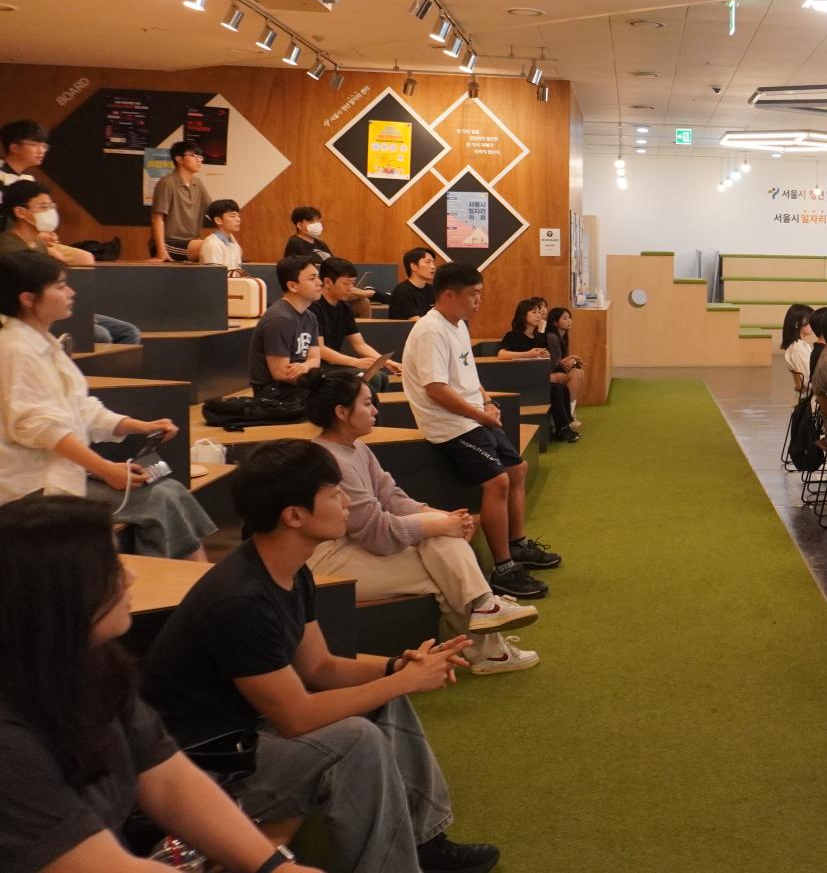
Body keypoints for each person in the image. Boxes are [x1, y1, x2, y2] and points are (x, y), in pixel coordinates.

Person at [140, 440, 502, 873]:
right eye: (333, 493)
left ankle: (426, 842)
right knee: (357, 738)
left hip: (247, 734)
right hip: (207, 769)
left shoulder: (291, 571)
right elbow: (296, 717)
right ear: (294, 515)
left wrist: (397, 667)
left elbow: (320, 668)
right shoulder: (241, 599)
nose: (346, 502)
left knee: (383, 696)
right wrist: (401, 680)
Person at [0, 494, 327, 873]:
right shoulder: (9, 739)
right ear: (57, 591)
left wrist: (272, 866)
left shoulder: (92, 668)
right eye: (109, 565)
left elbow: (167, 778)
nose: (129, 576)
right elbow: (101, 866)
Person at [307, 371, 543, 669]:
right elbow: (377, 533)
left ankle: (486, 614)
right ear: (341, 413)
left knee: (447, 551)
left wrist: (441, 516)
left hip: (359, 545)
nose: (375, 410)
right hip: (332, 560)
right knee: (450, 573)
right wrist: (440, 524)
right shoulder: (331, 460)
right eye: (367, 404)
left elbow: (392, 497)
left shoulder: (356, 448)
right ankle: (487, 643)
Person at [0, 250, 214, 560]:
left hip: (61, 473)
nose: (71, 292)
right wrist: (106, 469)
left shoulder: (43, 343)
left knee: (169, 490)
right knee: (159, 499)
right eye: (60, 286)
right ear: (28, 298)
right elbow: (44, 429)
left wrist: (138, 426)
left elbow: (82, 409)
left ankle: (192, 579)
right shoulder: (16, 350)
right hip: (32, 489)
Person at [403, 262, 559, 600]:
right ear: (448, 295)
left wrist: (487, 402)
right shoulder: (430, 330)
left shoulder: (458, 324)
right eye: (473, 294)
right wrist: (481, 415)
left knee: (517, 468)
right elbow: (436, 389)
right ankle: (502, 569)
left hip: (473, 416)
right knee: (498, 481)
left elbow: (468, 374)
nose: (479, 301)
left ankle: (517, 544)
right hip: (447, 424)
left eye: (479, 294)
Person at [0, 126, 140, 345]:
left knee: (128, 330)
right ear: (14, 146)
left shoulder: (28, 179)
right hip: (27, 298)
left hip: (36, 241)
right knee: (102, 335)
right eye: (34, 144)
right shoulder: (10, 246)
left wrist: (42, 238)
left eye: (44, 145)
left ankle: (83, 313)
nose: (41, 150)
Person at [314, 257, 404, 390]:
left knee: (383, 377)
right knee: (373, 378)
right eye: (346, 283)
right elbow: (320, 349)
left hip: (333, 365)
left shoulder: (344, 308)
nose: (351, 288)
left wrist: (387, 363)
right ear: (327, 282)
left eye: (353, 283)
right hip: (316, 366)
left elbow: (360, 345)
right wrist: (356, 362)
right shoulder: (314, 307)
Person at [249, 256, 325, 401]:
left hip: (299, 384)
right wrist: (315, 380)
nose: (320, 283)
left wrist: (305, 367)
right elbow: (281, 373)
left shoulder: (310, 317)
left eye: (318, 277)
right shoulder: (280, 319)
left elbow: (315, 358)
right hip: (275, 393)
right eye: (312, 278)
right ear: (293, 286)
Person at [500, 299, 576, 441]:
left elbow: (544, 359)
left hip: (535, 378)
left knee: (561, 388)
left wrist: (545, 355)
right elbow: (502, 354)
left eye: (539, 312)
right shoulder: (513, 336)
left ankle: (564, 426)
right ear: (523, 315)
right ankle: (562, 429)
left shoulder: (539, 337)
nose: (538, 315)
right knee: (555, 390)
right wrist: (528, 354)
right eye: (534, 312)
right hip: (518, 380)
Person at [149, 141, 210, 263]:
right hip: (168, 243)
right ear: (179, 159)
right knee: (210, 247)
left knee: (224, 246)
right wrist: (161, 251)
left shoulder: (198, 183)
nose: (199, 160)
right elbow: (157, 219)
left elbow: (212, 211)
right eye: (193, 156)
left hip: (192, 242)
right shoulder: (167, 183)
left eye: (200, 156)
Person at [544, 305, 587, 432]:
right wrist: (572, 358)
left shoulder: (562, 337)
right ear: (555, 322)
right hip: (546, 374)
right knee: (575, 374)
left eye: (569, 318)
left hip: (555, 372)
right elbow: (554, 364)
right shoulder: (551, 337)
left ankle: (569, 414)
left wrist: (573, 361)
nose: (569, 321)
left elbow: (562, 362)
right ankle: (568, 417)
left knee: (578, 372)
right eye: (565, 318)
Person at [388, 248, 438, 321]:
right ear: (414, 266)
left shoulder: (432, 290)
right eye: (428, 262)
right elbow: (415, 321)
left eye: (433, 263)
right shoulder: (402, 291)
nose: (433, 266)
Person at [199, 198, 246, 275]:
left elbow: (238, 272)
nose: (238, 219)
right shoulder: (212, 244)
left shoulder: (235, 244)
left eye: (238, 216)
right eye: (232, 216)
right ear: (218, 220)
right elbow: (215, 276)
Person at [0, 118, 50, 188]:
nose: (42, 151)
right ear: (14, 148)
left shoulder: (28, 180)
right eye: (33, 145)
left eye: (43, 146)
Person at [780, 303, 816, 395]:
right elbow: (808, 380)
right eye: (809, 321)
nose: (813, 324)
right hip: (810, 398)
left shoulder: (801, 346)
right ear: (797, 324)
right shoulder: (797, 349)